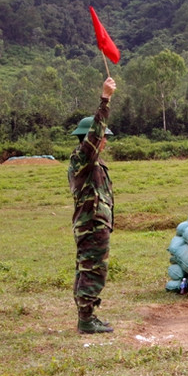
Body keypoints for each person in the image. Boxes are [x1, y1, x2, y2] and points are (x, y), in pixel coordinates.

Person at [68, 77, 117, 334]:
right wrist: (105, 99)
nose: (105, 140)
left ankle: (88, 315)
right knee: (93, 269)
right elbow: (96, 132)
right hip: (91, 224)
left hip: (94, 223)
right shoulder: (82, 157)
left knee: (88, 268)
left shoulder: (93, 163)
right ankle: (86, 319)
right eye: (102, 137)